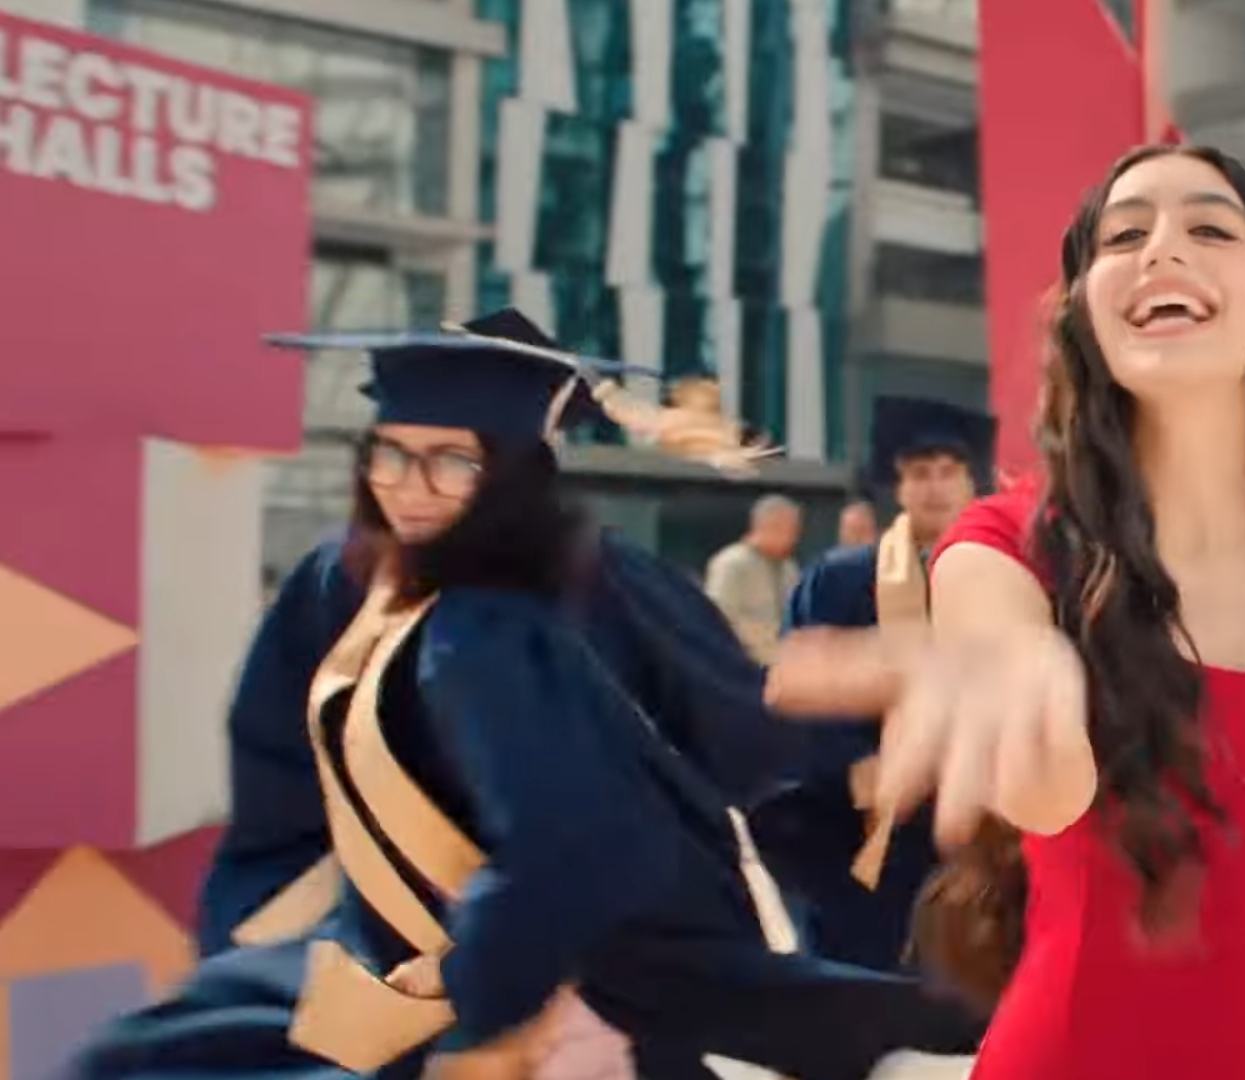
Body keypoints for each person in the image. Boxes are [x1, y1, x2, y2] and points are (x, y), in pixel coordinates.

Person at [78, 310, 983, 1080]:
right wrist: (265, 935)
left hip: (582, 939)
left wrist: (855, 758)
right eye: (393, 455)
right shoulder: (335, 584)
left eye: (452, 461)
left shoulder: (581, 585)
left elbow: (719, 724)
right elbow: (279, 773)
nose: (412, 489)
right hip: (409, 933)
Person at [768, 144, 1245, 1080]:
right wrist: (1034, 676)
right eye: (1124, 236)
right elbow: (1044, 792)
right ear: (1088, 319)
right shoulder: (1008, 542)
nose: (1161, 249)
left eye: (1209, 228)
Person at [751, 396, 993, 974]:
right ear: (898, 486)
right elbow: (797, 690)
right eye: (919, 473)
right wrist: (857, 765)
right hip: (862, 831)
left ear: (971, 482)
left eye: (948, 472)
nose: (934, 487)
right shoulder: (840, 580)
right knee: (864, 983)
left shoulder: (1005, 577)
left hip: (972, 828)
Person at [705, 494, 803, 664]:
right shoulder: (731, 564)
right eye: (790, 530)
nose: (794, 538)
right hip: (740, 666)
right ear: (767, 525)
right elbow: (719, 619)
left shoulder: (790, 569)